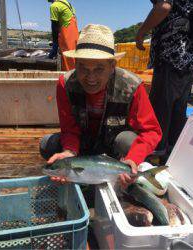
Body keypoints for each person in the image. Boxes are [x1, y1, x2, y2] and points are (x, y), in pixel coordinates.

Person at [40, 24, 162, 187]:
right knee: (47, 144)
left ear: (112, 66)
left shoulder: (132, 86)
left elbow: (151, 130)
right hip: (82, 147)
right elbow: (69, 128)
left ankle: (120, 173)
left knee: (128, 141)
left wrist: (133, 158)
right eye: (83, 67)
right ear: (75, 63)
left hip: (114, 150)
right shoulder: (65, 84)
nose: (90, 77)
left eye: (99, 69)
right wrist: (69, 152)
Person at [135, 0, 193, 161]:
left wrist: (141, 31)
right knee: (178, 107)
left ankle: (154, 156)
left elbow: (164, 6)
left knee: (161, 107)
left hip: (173, 51)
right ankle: (172, 154)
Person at [47, 0, 79, 71]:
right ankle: (75, 75)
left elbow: (54, 26)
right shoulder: (67, 3)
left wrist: (55, 43)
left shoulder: (54, 6)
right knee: (74, 56)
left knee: (67, 57)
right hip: (75, 34)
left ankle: (68, 77)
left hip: (66, 35)